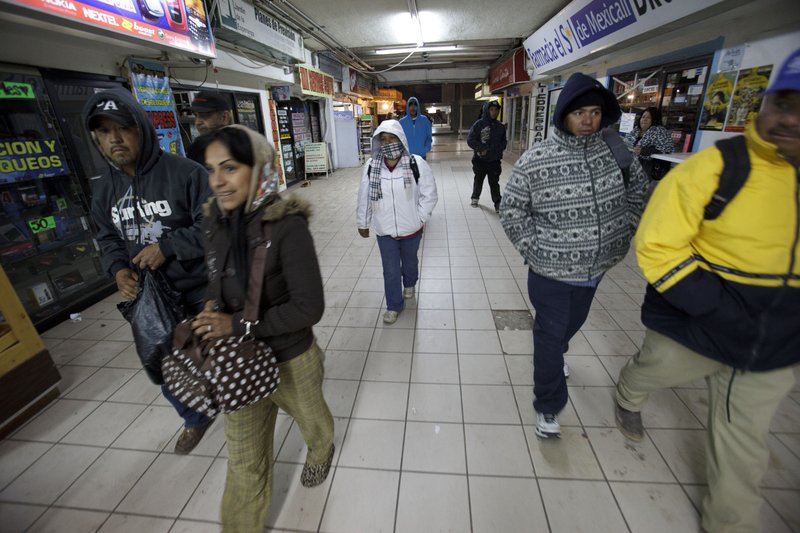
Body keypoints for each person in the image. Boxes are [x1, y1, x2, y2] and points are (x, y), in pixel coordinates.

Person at [614, 49, 800, 533]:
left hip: (774, 344)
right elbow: (656, 245)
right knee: (651, 370)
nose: (793, 120)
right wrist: (718, 308)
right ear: (765, 103)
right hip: (697, 323)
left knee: (744, 445)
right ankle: (628, 394)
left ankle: (728, 524)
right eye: (786, 103)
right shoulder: (717, 168)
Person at [191, 125, 335, 531]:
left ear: (258, 169)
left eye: (230, 167)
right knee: (243, 461)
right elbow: (219, 276)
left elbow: (310, 307)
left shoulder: (287, 227)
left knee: (312, 420)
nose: (217, 181)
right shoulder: (214, 222)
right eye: (211, 169)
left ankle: (322, 450)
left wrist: (235, 324)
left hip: (291, 358)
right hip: (239, 365)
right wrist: (210, 306)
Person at [499, 72, 647, 439]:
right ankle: (548, 406)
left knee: (570, 327)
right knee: (549, 336)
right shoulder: (537, 160)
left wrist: (624, 230)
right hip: (549, 272)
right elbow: (512, 210)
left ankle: (557, 355)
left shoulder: (616, 153)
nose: (587, 120)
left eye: (595, 112)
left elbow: (639, 192)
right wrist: (535, 249)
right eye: (580, 112)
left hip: (596, 269)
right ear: (564, 114)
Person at [83, 88, 214, 454]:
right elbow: (107, 237)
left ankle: (236, 408)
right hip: (151, 300)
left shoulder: (185, 173)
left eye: (122, 128)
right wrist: (117, 269)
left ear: (140, 128)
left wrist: (167, 247)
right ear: (96, 139)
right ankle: (195, 417)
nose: (115, 139)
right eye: (104, 132)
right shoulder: (104, 192)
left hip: (201, 287)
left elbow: (214, 224)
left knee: (217, 355)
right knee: (162, 363)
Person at [356, 119, 438, 324]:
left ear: (401, 139)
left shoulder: (416, 163)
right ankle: (393, 305)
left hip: (411, 228)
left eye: (392, 138)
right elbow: (364, 196)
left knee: (410, 263)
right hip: (385, 231)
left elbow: (430, 195)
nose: (387, 143)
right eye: (383, 139)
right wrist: (363, 222)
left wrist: (420, 218)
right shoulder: (372, 166)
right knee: (390, 270)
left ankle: (410, 282)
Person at [468, 100, 507, 212]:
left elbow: (504, 142)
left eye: (496, 110)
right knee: (479, 180)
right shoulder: (479, 124)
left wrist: (499, 149)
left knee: (494, 183)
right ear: (487, 111)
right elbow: (470, 140)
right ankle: (475, 197)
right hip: (480, 160)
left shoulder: (500, 127)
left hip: (494, 161)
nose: (494, 112)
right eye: (491, 110)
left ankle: (498, 203)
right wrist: (481, 148)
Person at [624, 106, 674, 181]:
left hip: (648, 169)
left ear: (654, 119)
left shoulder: (660, 132)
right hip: (631, 166)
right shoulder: (635, 131)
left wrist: (644, 151)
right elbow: (626, 144)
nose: (644, 119)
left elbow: (666, 150)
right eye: (643, 117)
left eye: (648, 117)